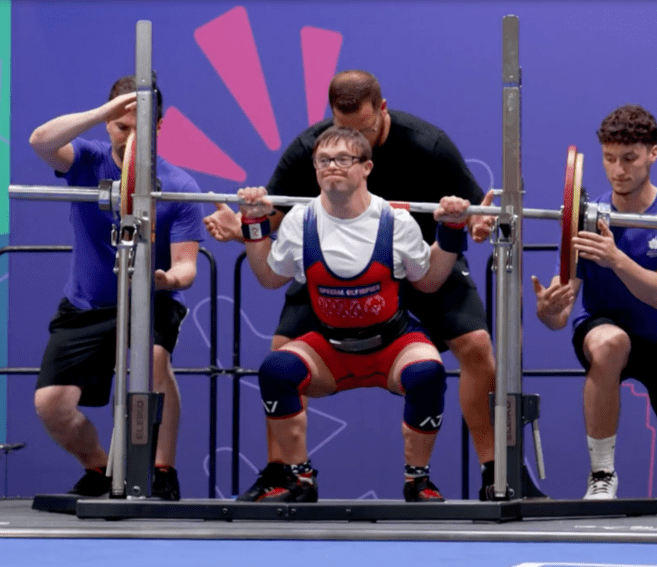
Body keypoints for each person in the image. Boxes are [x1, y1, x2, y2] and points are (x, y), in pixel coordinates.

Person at [205, 70, 544, 500]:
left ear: (381, 112)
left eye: (360, 135)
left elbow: (476, 211)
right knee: (281, 353)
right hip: (334, 262)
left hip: (413, 252)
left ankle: (497, 471)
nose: (346, 144)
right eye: (339, 134)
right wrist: (244, 226)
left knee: (476, 345)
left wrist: (472, 224)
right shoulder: (315, 147)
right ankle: (285, 473)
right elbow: (272, 221)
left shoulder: (428, 145)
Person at [236, 126, 471, 502]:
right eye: (324, 160)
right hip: (330, 351)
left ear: (366, 167)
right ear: (314, 169)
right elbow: (268, 277)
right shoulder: (300, 221)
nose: (332, 167)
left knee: (428, 373)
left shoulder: (395, 222)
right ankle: (299, 479)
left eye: (343, 159)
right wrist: (253, 222)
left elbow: (429, 281)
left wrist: (453, 230)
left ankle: (418, 481)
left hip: (393, 345)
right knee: (276, 370)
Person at [531, 104, 657, 505]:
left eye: (629, 158)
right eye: (609, 159)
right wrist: (549, 309)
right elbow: (560, 314)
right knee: (612, 343)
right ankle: (602, 474)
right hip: (605, 329)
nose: (618, 170)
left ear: (653, 154)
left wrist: (615, 258)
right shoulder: (586, 218)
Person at [28, 75, 205, 501]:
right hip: (86, 304)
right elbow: (40, 141)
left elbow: (186, 267)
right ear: (108, 125)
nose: (128, 138)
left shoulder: (179, 186)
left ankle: (162, 470)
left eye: (140, 127)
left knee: (154, 362)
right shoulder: (85, 161)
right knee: (51, 405)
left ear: (158, 127)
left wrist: (165, 279)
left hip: (153, 298)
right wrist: (105, 111)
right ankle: (100, 469)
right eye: (120, 127)